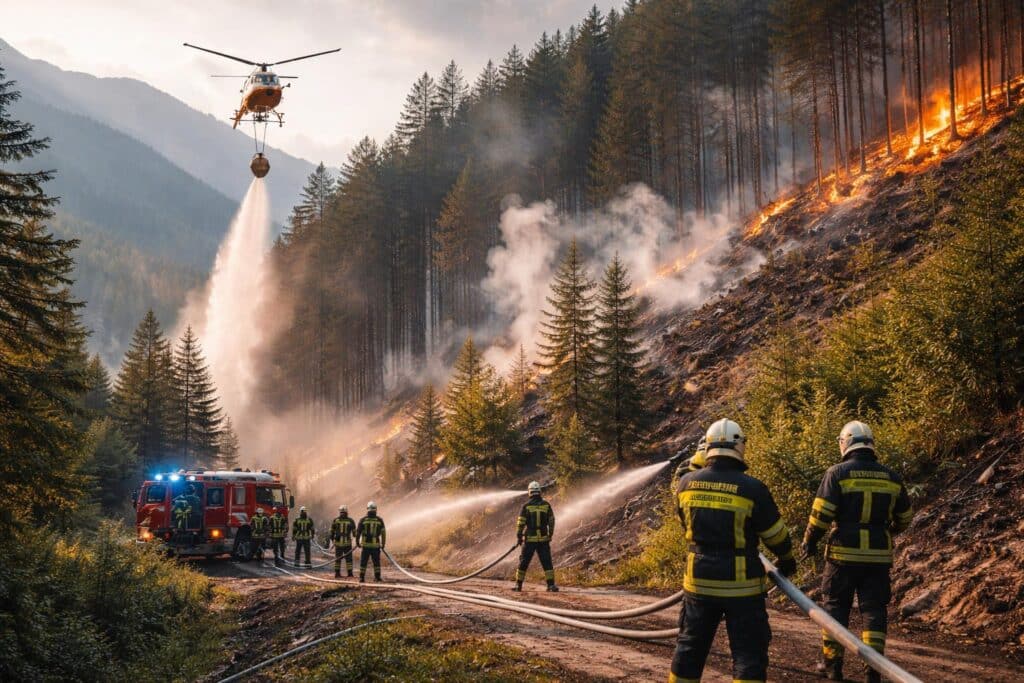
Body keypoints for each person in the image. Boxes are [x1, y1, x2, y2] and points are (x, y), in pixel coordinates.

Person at [669, 418, 797, 683]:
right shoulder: (752, 488)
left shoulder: (686, 483)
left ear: (707, 448)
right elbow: (775, 535)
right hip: (742, 588)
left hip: (698, 582)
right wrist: (786, 559)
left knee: (689, 648)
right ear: (740, 446)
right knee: (748, 655)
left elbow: (684, 522)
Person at [802, 421, 913, 683]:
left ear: (845, 444)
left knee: (835, 607)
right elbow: (905, 517)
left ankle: (832, 665)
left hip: (843, 555)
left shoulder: (837, 473)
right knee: (874, 611)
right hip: (878, 556)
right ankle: (873, 669)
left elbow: (821, 515)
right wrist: (887, 531)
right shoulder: (891, 477)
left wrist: (810, 541)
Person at [514, 481, 558, 592]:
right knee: (547, 562)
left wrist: (519, 536)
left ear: (530, 492)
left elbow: (521, 523)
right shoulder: (546, 505)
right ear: (539, 492)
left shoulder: (526, 506)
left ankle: (518, 585)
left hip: (530, 539)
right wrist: (550, 534)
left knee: (524, 562)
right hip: (543, 539)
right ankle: (551, 585)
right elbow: (551, 521)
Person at [356, 501, 386, 583]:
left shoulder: (363, 520)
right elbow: (383, 533)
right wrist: (383, 544)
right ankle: (377, 577)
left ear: (367, 509)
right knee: (376, 562)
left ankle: (361, 578)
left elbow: (358, 532)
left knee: (363, 562)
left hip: (365, 546)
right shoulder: (380, 520)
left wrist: (357, 542)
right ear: (376, 510)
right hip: (375, 546)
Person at [330, 505, 356, 578]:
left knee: (338, 559)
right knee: (349, 559)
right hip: (347, 543)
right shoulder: (351, 521)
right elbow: (354, 533)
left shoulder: (336, 520)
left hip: (338, 544)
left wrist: (333, 540)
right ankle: (350, 574)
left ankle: (337, 573)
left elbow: (331, 532)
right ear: (347, 512)